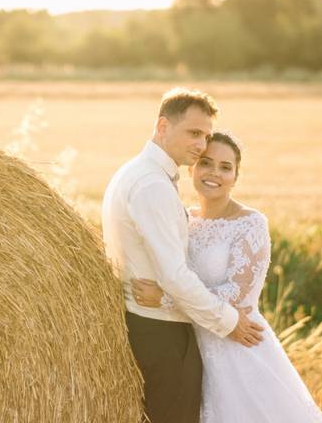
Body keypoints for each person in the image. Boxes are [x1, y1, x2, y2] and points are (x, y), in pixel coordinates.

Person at [132, 132, 322, 423]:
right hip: (192, 349)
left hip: (238, 347)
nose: (214, 173)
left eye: (225, 167)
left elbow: (236, 296)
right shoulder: (184, 219)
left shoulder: (251, 224)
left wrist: (164, 298)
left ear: (236, 176)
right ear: (192, 169)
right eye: (206, 163)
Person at [101, 88, 265, 423]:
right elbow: (174, 275)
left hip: (155, 326)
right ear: (162, 126)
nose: (200, 144)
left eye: (205, 135)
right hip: (163, 335)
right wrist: (229, 321)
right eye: (193, 133)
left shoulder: (137, 173)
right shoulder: (152, 185)